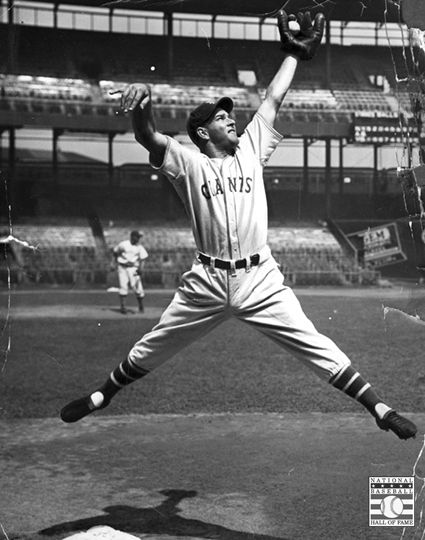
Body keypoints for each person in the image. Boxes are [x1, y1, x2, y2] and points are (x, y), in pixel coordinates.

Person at [60, 10, 417, 440]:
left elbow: (273, 99)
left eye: (229, 115)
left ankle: (380, 408)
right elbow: (148, 136)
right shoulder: (187, 163)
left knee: (314, 343)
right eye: (220, 117)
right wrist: (144, 103)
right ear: (202, 132)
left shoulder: (250, 150)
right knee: (154, 344)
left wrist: (294, 55)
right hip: (207, 281)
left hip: (258, 278)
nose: (231, 119)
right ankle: (102, 396)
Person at [113, 230, 148, 314]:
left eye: (139, 237)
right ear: (132, 236)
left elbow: (143, 258)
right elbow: (115, 252)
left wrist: (141, 268)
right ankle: (123, 307)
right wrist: (113, 263)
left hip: (133, 268)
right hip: (122, 267)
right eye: (137, 237)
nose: (138, 239)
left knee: (137, 287)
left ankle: (141, 306)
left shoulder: (139, 247)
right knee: (123, 286)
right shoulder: (123, 244)